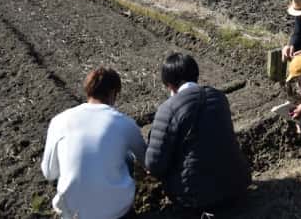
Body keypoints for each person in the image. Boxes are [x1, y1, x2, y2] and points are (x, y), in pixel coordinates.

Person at [145, 53, 251, 215]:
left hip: (196, 199)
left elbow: (154, 165)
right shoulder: (219, 97)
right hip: (237, 185)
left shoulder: (168, 109)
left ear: (169, 84)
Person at [41, 67, 146, 219]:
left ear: (88, 91)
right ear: (112, 93)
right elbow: (145, 160)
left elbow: (49, 173)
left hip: (73, 213)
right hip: (117, 213)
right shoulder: (125, 123)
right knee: (128, 158)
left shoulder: (59, 121)